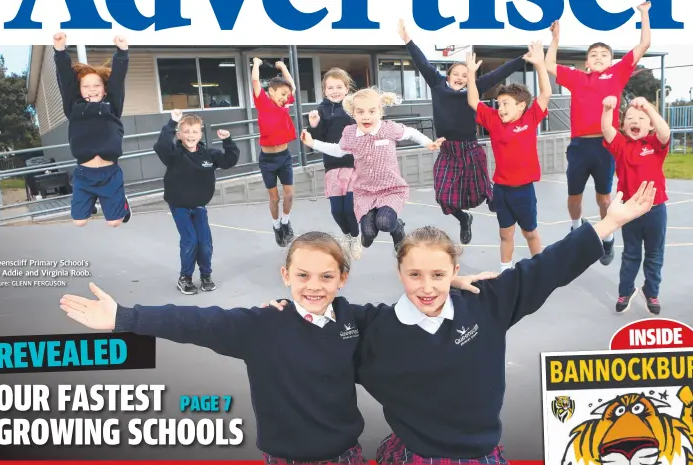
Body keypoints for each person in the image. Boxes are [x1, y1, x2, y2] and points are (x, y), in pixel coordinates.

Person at [265, 182, 657, 463]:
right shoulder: (373, 325)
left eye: (438, 275)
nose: (426, 287)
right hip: (412, 455)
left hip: (479, 454)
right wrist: (281, 308)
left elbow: (547, 268)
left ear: (454, 270)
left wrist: (610, 223)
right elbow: (318, 306)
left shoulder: (486, 304)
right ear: (399, 272)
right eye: (414, 275)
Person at [59, 233, 485, 464]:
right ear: (286, 276)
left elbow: (412, 305)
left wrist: (454, 287)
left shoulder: (356, 319)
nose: (313, 286)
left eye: (325, 277)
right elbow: (193, 321)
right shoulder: (261, 325)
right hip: (286, 458)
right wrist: (122, 318)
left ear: (342, 280)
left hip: (345, 455)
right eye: (303, 275)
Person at [398, 19, 528, 244]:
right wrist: (408, 40)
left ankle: (495, 199)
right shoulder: (438, 85)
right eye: (455, 73)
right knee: (443, 196)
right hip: (447, 150)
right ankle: (464, 218)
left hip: (469, 148)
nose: (460, 77)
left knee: (480, 191)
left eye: (465, 75)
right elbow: (422, 63)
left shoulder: (474, 91)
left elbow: (499, 73)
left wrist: (523, 57)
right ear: (448, 76)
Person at [545, 1, 651, 265]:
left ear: (611, 60)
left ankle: (607, 237)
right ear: (587, 63)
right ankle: (575, 226)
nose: (599, 57)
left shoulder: (617, 74)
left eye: (604, 54)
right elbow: (549, 65)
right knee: (574, 196)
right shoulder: (577, 78)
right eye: (594, 55)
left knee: (604, 197)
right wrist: (555, 38)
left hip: (606, 145)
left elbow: (643, 44)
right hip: (579, 145)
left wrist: (644, 14)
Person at [300, 87, 444, 251]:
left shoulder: (388, 129)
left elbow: (411, 132)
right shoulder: (351, 134)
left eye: (371, 111)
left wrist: (428, 143)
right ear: (353, 114)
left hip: (390, 189)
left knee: (384, 222)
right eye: (360, 112)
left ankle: (397, 228)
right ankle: (371, 226)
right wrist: (313, 144)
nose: (366, 116)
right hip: (365, 191)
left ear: (379, 112)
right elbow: (337, 150)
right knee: (367, 236)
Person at [467, 44, 550, 272]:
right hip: (501, 189)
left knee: (530, 232)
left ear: (521, 106)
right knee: (505, 233)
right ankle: (505, 271)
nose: (500, 108)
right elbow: (473, 101)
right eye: (499, 103)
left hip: (523, 190)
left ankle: (541, 268)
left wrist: (540, 65)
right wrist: (472, 75)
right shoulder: (493, 120)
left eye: (506, 104)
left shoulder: (530, 119)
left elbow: (545, 94)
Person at [153, 110, 240, 295]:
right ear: (179, 135)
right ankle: (185, 278)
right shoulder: (174, 155)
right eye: (186, 131)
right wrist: (172, 122)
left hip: (199, 205)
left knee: (204, 241)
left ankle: (206, 276)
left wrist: (228, 140)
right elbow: (161, 146)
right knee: (190, 240)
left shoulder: (209, 155)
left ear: (200, 134)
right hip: (179, 205)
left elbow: (229, 160)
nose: (190, 135)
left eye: (194, 131)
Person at [53, 32, 132, 227]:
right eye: (86, 86)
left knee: (114, 222)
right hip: (84, 174)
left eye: (97, 85)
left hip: (110, 172)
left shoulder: (111, 106)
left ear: (104, 89)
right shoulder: (73, 108)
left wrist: (122, 52)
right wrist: (60, 50)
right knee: (79, 222)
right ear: (79, 90)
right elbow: (65, 79)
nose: (92, 89)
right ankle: (91, 204)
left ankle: (122, 205)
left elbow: (118, 80)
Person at [601, 96, 670, 315]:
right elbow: (606, 130)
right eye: (630, 117)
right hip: (630, 210)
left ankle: (651, 291)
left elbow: (665, 132)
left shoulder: (655, 145)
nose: (635, 120)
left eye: (642, 117)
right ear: (623, 125)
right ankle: (626, 290)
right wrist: (606, 109)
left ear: (650, 124)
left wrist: (648, 107)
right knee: (631, 254)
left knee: (655, 254)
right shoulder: (621, 145)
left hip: (656, 209)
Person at [307, 68, 362, 260]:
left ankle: (356, 237)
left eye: (339, 86)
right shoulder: (321, 111)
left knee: (349, 208)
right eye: (330, 87)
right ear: (324, 90)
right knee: (337, 210)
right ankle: (346, 235)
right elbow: (316, 141)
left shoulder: (354, 107)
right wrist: (314, 126)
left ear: (347, 88)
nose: (335, 90)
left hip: (354, 165)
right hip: (332, 166)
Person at [252, 57, 298, 247]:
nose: (286, 97)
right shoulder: (263, 102)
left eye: (287, 95)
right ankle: (276, 225)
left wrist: (284, 67)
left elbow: (292, 86)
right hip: (268, 159)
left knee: (289, 195)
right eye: (282, 94)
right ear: (270, 91)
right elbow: (255, 81)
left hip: (284, 157)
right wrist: (256, 64)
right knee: (275, 198)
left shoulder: (285, 105)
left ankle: (286, 222)